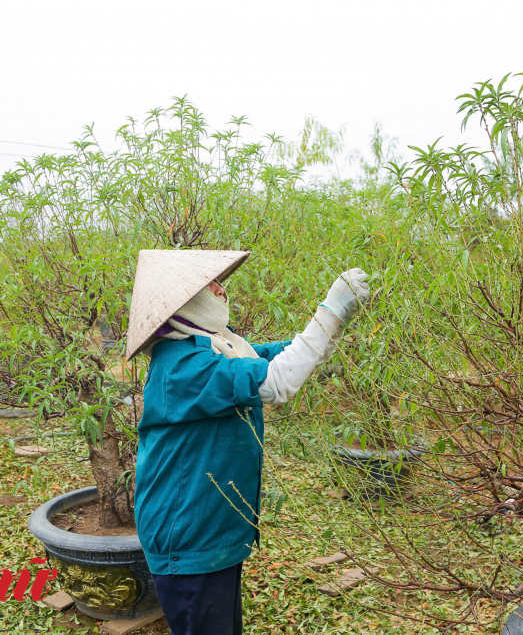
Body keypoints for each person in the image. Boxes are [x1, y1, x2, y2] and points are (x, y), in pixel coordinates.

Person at [125, 249, 369, 635]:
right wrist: (332, 309)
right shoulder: (182, 365)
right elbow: (277, 380)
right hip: (189, 537)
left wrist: (331, 332)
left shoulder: (215, 345)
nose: (222, 291)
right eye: (211, 285)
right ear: (186, 301)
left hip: (211, 530)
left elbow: (279, 357)